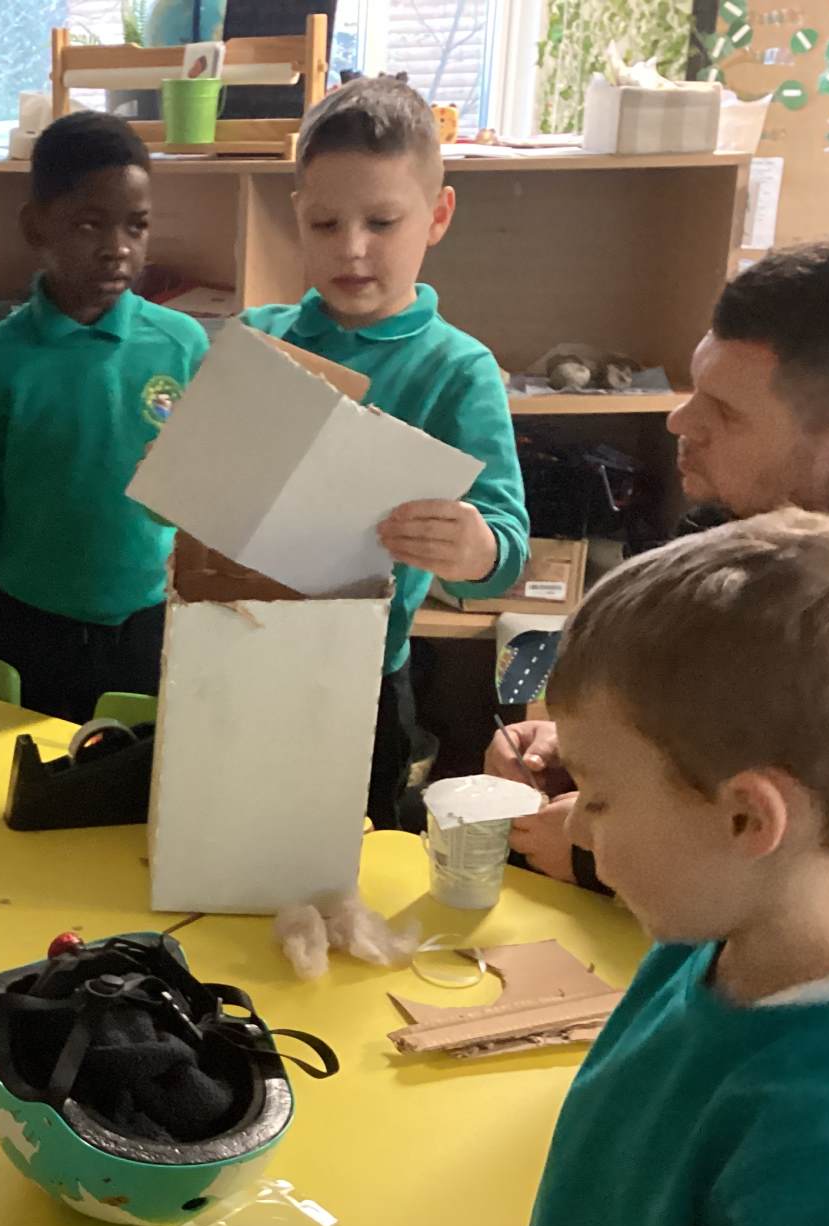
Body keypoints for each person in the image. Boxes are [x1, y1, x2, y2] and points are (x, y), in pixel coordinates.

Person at [315, 510, 829, 1226]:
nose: (578, 827)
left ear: (747, 820)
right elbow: (652, 1189)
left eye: (597, 797)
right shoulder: (708, 940)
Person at [492, 235, 829, 893]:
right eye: (697, 386)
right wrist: (588, 754)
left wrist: (609, 855)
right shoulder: (737, 512)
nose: (679, 421)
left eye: (724, 413)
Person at [241, 78, 529, 831]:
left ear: (438, 216)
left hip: (361, 677)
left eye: (381, 221)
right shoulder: (260, 337)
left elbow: (506, 548)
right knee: (221, 830)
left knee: (343, 856)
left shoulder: (459, 370)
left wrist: (474, 547)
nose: (352, 247)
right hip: (237, 653)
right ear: (297, 215)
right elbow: (197, 502)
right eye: (326, 222)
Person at [0, 111, 209, 722]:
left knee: (143, 770)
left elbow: (205, 494)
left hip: (151, 618)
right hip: (34, 626)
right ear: (36, 227)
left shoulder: (182, 345)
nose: (118, 248)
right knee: (39, 770)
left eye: (136, 226)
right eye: (89, 224)